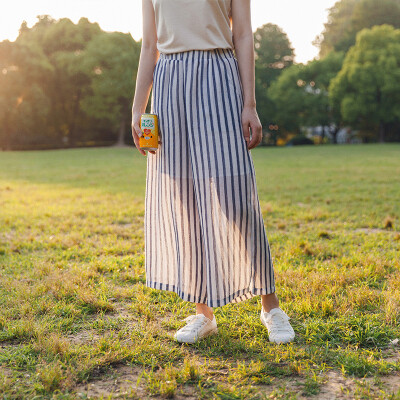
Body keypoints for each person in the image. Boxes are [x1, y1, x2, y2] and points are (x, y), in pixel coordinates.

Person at [131, 0, 295, 345]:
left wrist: (249, 104)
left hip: (219, 76)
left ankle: (271, 307)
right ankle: (202, 313)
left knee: (236, 199)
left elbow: (245, 35)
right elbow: (149, 45)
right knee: (185, 199)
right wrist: (137, 108)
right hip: (169, 83)